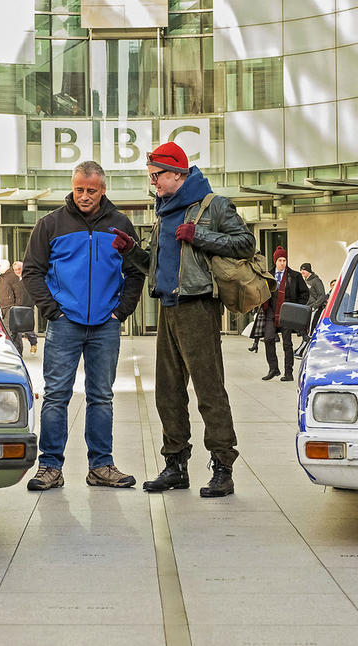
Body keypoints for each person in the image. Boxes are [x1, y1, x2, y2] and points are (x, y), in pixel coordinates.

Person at [112, 141, 255, 498]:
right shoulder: (164, 212)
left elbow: (246, 244)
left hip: (198, 308)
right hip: (168, 309)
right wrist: (132, 251)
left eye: (157, 176)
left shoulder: (213, 205)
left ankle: (223, 467)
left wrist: (201, 235)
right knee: (168, 393)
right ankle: (175, 465)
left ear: (177, 172)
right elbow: (157, 269)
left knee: (209, 391)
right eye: (151, 177)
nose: (154, 183)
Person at [22, 160, 144, 491]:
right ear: (72, 186)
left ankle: (101, 466)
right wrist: (52, 310)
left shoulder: (119, 225)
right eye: (79, 189)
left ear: (103, 190)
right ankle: (49, 466)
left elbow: (136, 271)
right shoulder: (51, 224)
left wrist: (122, 311)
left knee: (101, 396)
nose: (84, 196)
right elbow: (31, 271)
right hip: (65, 324)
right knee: (56, 395)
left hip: (105, 324)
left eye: (91, 190)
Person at [249, 247, 308, 381]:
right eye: (280, 260)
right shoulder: (268, 275)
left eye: (284, 260)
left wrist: (296, 307)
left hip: (287, 313)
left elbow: (305, 294)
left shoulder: (295, 276)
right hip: (271, 312)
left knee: (287, 344)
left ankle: (288, 373)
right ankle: (273, 369)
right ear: (275, 261)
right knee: (268, 339)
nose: (282, 263)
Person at [0, 261, 38, 355]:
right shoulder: (2, 278)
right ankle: (17, 351)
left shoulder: (21, 278)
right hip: (8, 307)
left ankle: (32, 344)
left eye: (19, 269)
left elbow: (20, 294)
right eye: (15, 269)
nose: (17, 271)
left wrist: (17, 307)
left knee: (22, 330)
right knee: (15, 331)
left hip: (21, 307)